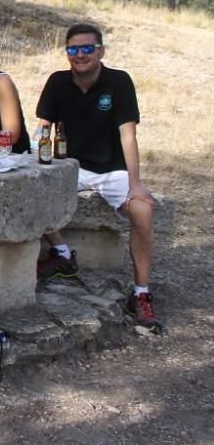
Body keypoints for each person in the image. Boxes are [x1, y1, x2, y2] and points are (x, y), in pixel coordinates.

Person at [35, 23, 161, 332]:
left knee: (143, 212)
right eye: (73, 50)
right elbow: (42, 128)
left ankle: (141, 293)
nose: (80, 55)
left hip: (112, 169)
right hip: (70, 166)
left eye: (87, 48)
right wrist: (36, 160)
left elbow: (128, 136)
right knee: (30, 195)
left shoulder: (118, 82)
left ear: (100, 51)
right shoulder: (57, 82)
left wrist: (135, 185)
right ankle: (63, 254)